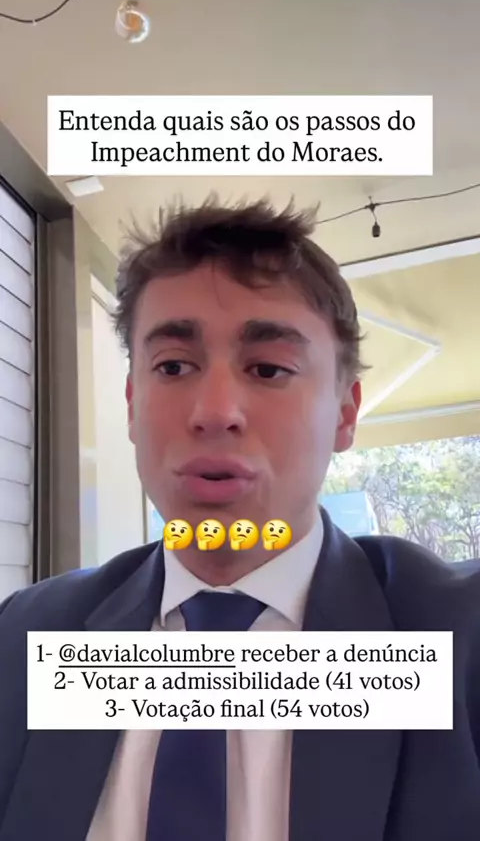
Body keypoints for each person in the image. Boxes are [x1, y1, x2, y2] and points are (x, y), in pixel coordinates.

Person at [0, 198, 479, 841]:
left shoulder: (458, 636)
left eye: (268, 369)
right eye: (173, 366)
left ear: (344, 413)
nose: (215, 411)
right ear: (133, 404)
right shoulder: (25, 635)